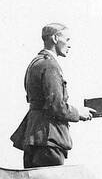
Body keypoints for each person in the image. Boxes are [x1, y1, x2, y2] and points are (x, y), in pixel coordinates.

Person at [9, 23, 96, 168]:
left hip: (34, 136)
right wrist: (79, 113)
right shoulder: (50, 65)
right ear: (55, 38)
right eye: (67, 40)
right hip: (49, 138)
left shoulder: (36, 62)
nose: (69, 45)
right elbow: (56, 106)